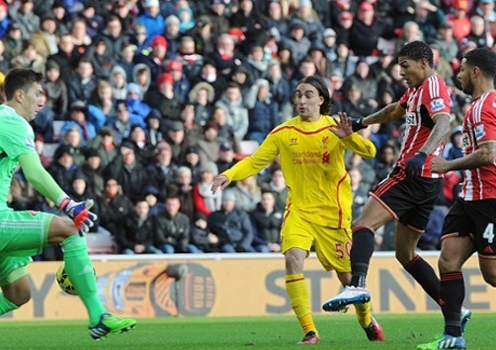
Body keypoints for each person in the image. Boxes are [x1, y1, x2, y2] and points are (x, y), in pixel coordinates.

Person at [211, 75, 382, 344]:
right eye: (298, 95)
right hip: (299, 210)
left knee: (348, 278)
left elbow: (370, 152)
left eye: (308, 95)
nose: (301, 100)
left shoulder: (334, 128)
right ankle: (310, 331)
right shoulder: (282, 133)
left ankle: (366, 320)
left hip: (332, 214)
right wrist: (228, 175)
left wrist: (350, 138)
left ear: (321, 99)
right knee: (292, 260)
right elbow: (255, 161)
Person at [322, 41, 472, 332]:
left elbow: (444, 121)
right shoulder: (416, 91)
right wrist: (360, 123)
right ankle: (454, 307)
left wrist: (422, 153)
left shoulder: (432, 88)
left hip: (411, 173)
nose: (400, 71)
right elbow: (394, 111)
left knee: (363, 224)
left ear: (424, 64)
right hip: (428, 185)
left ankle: (357, 284)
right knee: (405, 254)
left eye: (405, 65)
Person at [0, 68, 135, 339]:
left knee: (19, 293)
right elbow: (35, 172)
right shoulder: (12, 121)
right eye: (38, 94)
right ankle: (98, 316)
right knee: (70, 229)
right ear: (19, 94)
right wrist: (69, 205)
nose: (42, 101)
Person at [416, 48, 496, 350]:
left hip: (490, 198)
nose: (458, 74)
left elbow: (489, 153)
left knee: (492, 275)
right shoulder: (478, 106)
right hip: (469, 197)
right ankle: (453, 335)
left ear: (475, 72)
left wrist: (448, 165)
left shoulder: (483, 108)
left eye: (462, 69)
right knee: (448, 259)